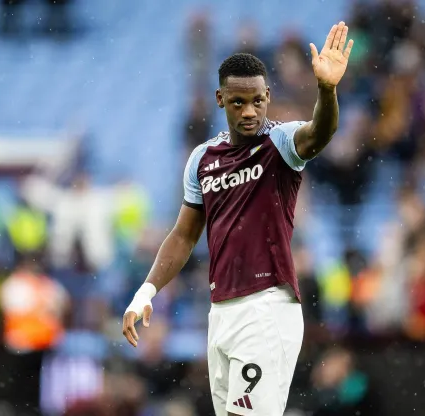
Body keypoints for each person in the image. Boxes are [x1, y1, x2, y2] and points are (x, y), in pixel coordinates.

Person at [122, 22, 355, 416]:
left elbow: (320, 133)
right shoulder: (202, 160)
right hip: (222, 312)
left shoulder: (281, 142)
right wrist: (145, 292)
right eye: (238, 102)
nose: (249, 112)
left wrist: (327, 90)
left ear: (268, 97)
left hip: (267, 308)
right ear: (220, 99)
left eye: (257, 101)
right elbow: (182, 235)